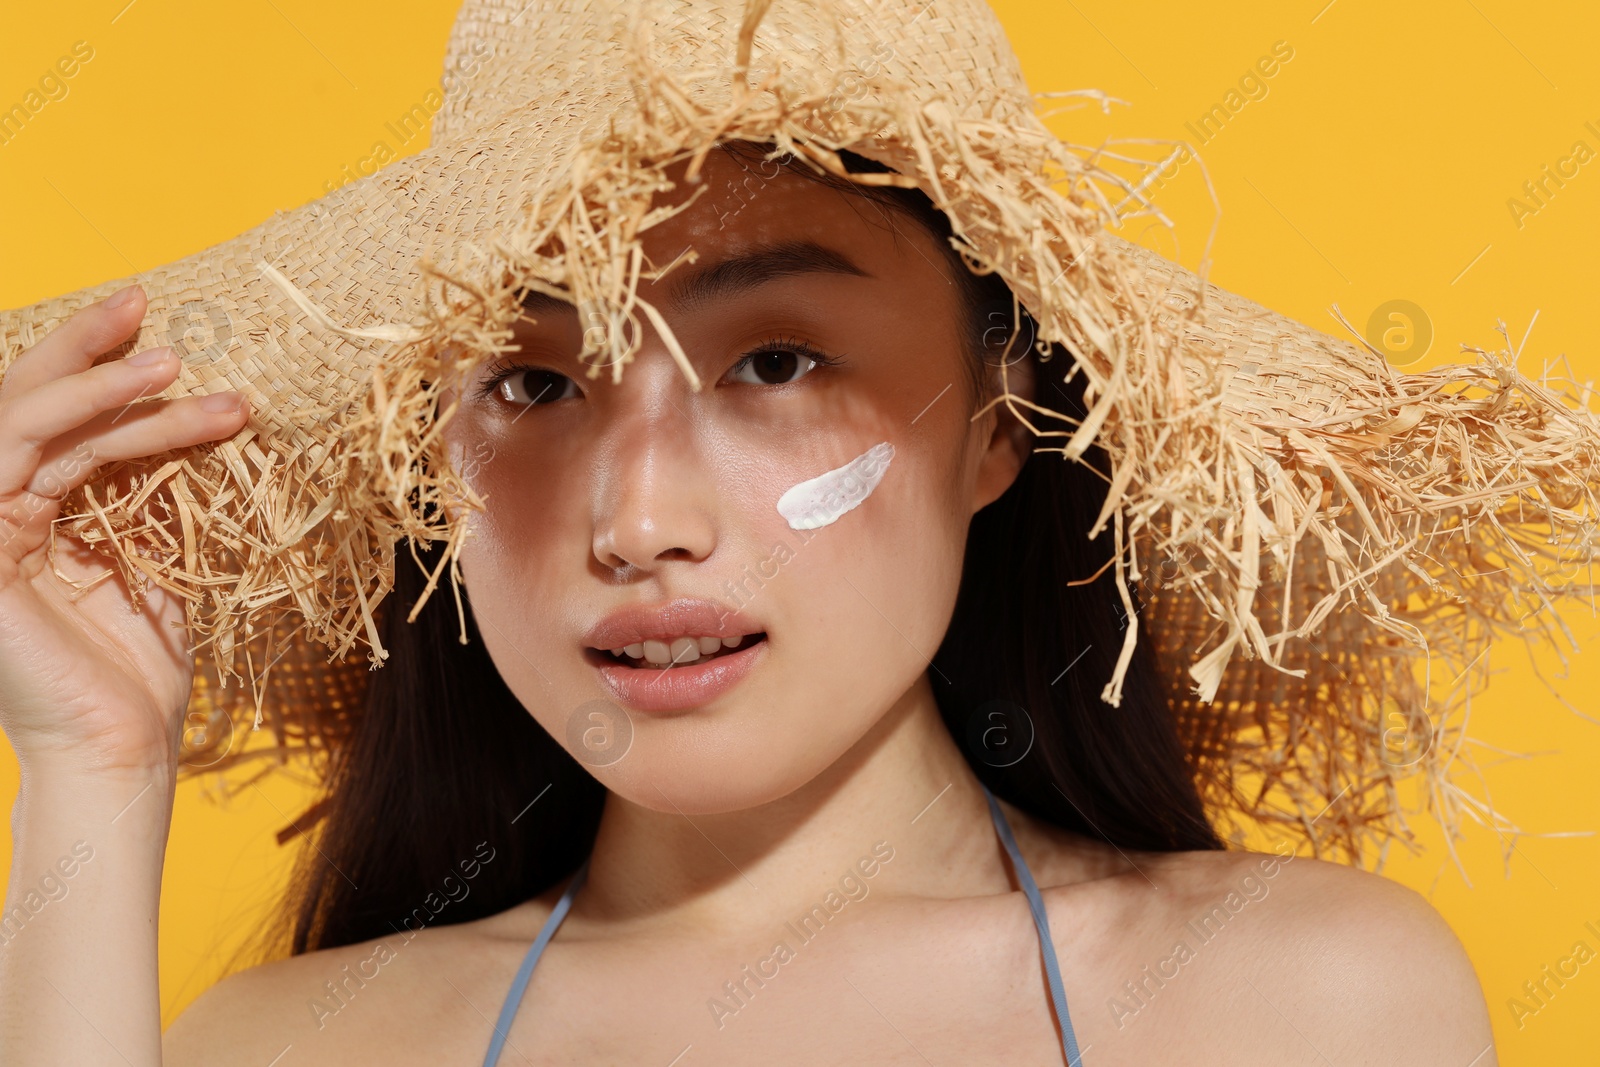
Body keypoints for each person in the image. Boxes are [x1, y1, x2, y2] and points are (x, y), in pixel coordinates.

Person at [0, 130, 1495, 1062]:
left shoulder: (1307, 1007)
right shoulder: (296, 1049)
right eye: (533, 381)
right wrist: (91, 770)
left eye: (775, 363)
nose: (638, 521)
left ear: (995, 424)